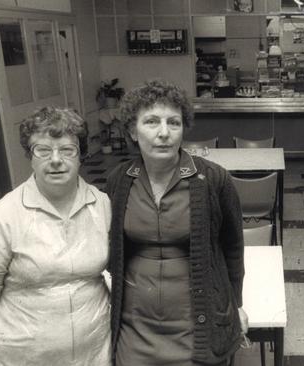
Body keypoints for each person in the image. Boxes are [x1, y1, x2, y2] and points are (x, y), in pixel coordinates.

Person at [105, 79, 247, 366]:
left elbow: (232, 248)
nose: (164, 133)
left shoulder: (213, 179)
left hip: (196, 326)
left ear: (184, 129)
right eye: (152, 122)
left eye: (174, 123)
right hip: (135, 328)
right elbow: (114, 250)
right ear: (133, 130)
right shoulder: (119, 181)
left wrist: (237, 303)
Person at [0, 107, 111, 366]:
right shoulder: (3, 216)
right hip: (24, 358)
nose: (55, 159)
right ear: (30, 156)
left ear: (81, 154)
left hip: (95, 355)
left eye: (67, 150)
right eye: (43, 150)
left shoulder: (102, 205)